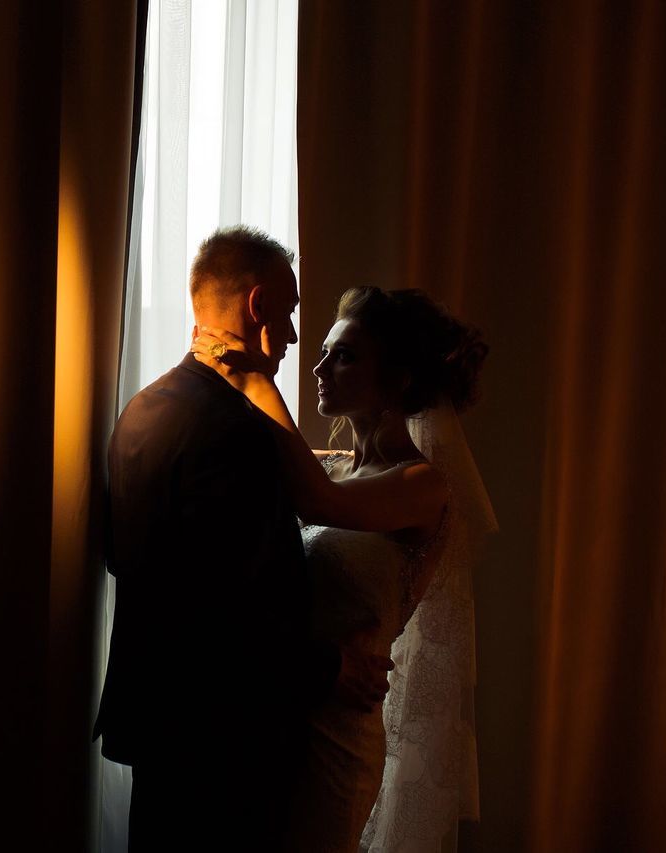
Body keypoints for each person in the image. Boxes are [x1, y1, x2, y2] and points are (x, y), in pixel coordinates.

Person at [93, 227, 395, 851]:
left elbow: (127, 557)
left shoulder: (143, 408)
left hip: (160, 723)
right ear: (257, 307)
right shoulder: (238, 435)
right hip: (225, 736)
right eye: (287, 314)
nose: (289, 337)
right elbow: (232, 609)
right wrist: (331, 666)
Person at [191, 283, 495, 852]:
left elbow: (318, 506)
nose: (320, 367)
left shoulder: (421, 485)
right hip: (283, 713)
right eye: (326, 351)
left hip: (337, 735)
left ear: (399, 379)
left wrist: (257, 378)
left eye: (346, 355)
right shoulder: (332, 468)